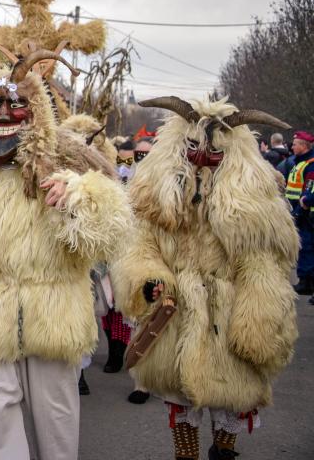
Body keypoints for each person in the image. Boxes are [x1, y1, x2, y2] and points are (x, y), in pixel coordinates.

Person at [0, 49, 129, 460]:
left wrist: (78, 197)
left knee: (56, 431)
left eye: (17, 104)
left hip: (54, 321)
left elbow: (109, 232)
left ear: (34, 108)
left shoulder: (66, 157)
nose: (4, 115)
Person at [113, 97, 298, 460]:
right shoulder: (156, 199)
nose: (202, 158)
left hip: (229, 314)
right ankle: (187, 455)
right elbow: (141, 246)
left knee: (231, 393)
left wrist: (259, 316)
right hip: (176, 313)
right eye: (193, 148)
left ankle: (224, 449)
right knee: (179, 394)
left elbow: (263, 263)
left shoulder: (254, 209)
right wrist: (149, 280)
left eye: (213, 151)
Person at [279, 130, 314, 296]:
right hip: (295, 210)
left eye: (295, 144)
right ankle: (305, 279)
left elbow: (307, 190)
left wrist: (300, 210)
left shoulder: (310, 165)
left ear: (304, 146)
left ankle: (306, 281)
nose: (292, 146)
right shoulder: (298, 162)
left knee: (306, 246)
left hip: (305, 214)